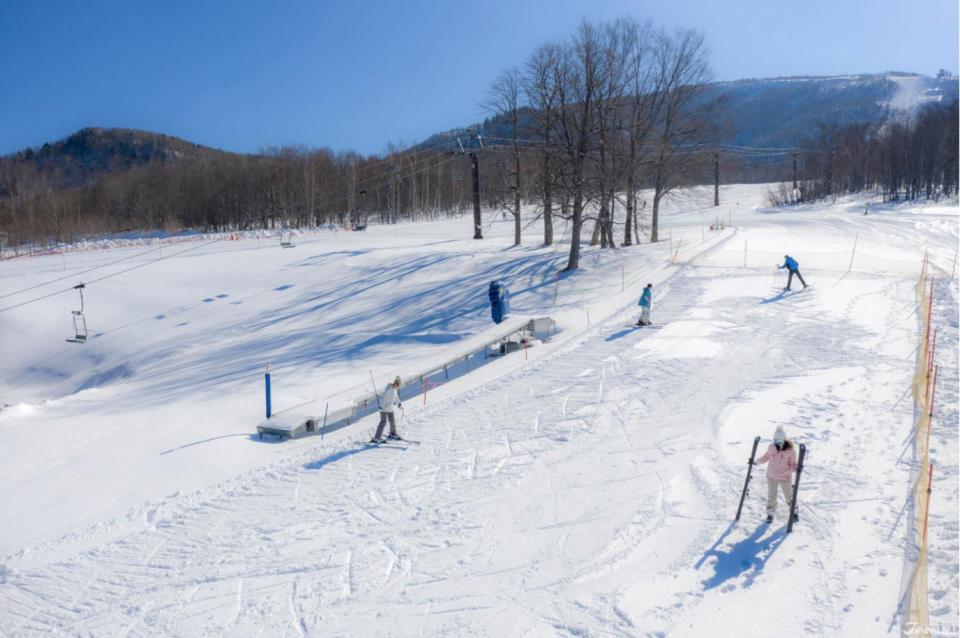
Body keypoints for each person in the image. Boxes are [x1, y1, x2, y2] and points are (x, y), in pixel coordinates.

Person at [755, 425, 799, 524]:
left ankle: (794, 512)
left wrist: (795, 468)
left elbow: (793, 465)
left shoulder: (791, 451)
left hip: (784, 476)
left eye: (779, 441)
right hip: (771, 476)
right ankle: (770, 514)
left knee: (789, 495)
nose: (777, 443)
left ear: (784, 440)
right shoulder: (771, 447)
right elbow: (766, 457)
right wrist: (757, 461)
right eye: (775, 441)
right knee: (772, 496)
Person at [371, 376, 402, 443]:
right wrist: (381, 406)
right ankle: (377, 437)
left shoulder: (394, 390)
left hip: (390, 408)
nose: (398, 387)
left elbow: (396, 398)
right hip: (384, 409)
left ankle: (392, 434)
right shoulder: (388, 390)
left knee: (392, 421)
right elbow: (383, 398)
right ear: (396, 384)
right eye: (398, 385)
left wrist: (398, 403)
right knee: (383, 422)